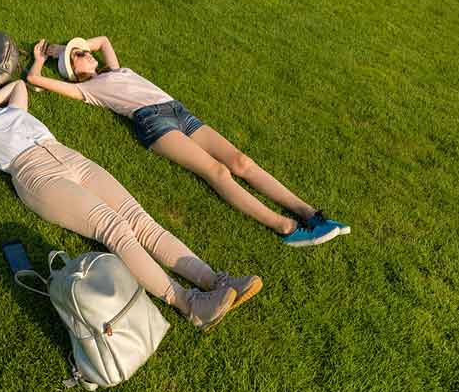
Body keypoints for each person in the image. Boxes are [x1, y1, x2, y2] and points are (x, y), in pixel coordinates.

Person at [0, 77, 262, 331]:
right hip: (38, 176)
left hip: (71, 158)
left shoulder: (9, 109)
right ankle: (189, 304)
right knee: (115, 230)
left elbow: (19, 86)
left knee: (141, 220)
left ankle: (217, 281)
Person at [27, 36, 350, 247]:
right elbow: (33, 80)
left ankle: (309, 213)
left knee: (241, 162)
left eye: (83, 51)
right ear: (73, 71)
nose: (86, 53)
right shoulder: (88, 91)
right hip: (152, 123)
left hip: (178, 111)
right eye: (79, 56)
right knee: (217, 172)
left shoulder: (116, 69)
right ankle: (286, 228)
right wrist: (44, 58)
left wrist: (62, 48)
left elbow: (104, 40)